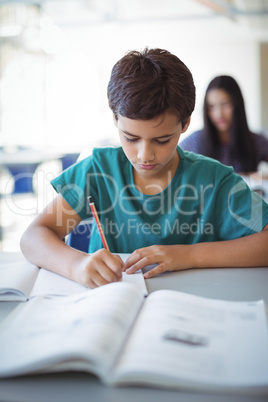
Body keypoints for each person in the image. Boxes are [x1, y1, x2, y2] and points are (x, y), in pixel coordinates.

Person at [20, 48, 268, 288]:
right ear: (115, 118)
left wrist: (190, 255)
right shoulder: (97, 169)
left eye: (162, 140)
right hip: (108, 303)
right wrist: (76, 265)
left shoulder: (215, 179)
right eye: (130, 138)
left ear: (185, 123)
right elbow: (33, 237)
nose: (145, 155)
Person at [179, 75, 268, 174]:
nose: (219, 114)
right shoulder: (195, 141)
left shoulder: (257, 142)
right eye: (212, 107)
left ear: (237, 104)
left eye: (225, 104)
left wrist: (257, 178)